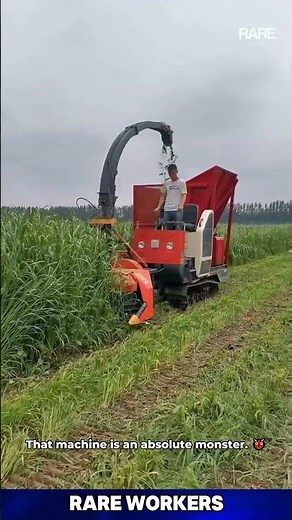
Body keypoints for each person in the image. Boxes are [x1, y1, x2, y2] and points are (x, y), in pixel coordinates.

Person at [154, 164, 187, 229]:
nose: (172, 175)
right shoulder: (167, 183)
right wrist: (158, 207)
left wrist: (181, 205)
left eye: (173, 173)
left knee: (178, 228)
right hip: (167, 209)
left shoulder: (181, 183)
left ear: (176, 172)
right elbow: (163, 196)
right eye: (170, 174)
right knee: (167, 228)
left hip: (177, 210)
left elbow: (183, 195)